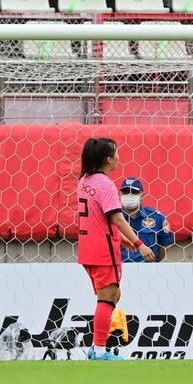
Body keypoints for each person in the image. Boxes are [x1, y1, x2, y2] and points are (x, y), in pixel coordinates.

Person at [77, 138, 154, 361]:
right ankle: (100, 351)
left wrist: (119, 239)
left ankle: (97, 346)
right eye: (117, 153)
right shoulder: (106, 185)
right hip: (103, 250)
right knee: (108, 297)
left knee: (112, 295)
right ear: (109, 159)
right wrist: (140, 244)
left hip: (88, 248)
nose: (120, 157)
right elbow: (118, 219)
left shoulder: (85, 180)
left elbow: (97, 219)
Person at [119, 177, 173, 263]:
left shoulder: (156, 217)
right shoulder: (113, 219)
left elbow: (165, 244)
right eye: (126, 192)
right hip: (120, 268)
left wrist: (153, 262)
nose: (129, 195)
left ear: (142, 196)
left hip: (148, 268)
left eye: (134, 192)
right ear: (120, 194)